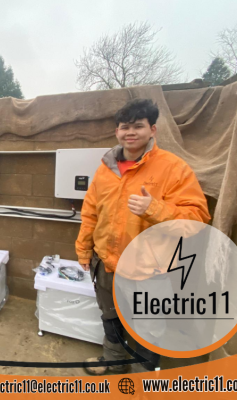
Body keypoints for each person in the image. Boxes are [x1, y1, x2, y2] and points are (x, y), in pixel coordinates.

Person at [75, 98, 211, 374]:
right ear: (117, 131)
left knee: (149, 329)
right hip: (106, 264)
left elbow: (198, 219)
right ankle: (113, 361)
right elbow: (90, 212)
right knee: (110, 317)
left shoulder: (172, 168)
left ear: (152, 130)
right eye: (124, 127)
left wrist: (155, 209)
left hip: (148, 270)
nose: (130, 132)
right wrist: (84, 250)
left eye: (138, 126)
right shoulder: (106, 168)